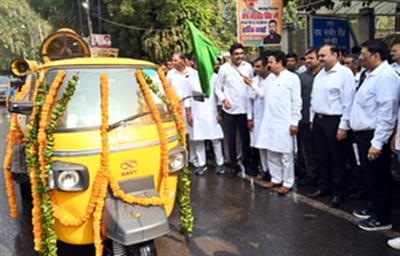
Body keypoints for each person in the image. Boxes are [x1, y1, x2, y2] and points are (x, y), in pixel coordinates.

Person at [350, 39, 399, 231]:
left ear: (376, 55)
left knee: (380, 177)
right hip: (364, 135)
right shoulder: (371, 75)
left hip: (374, 135)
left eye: (364, 54)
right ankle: (374, 208)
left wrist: (377, 143)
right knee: (371, 176)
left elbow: (387, 113)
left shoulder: (386, 77)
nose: (360, 58)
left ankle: (382, 217)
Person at [308, 44, 356, 208]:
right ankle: (324, 186)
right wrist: (312, 119)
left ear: (335, 55)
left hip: (336, 121)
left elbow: (348, 102)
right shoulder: (321, 74)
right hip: (319, 120)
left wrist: (343, 126)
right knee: (322, 156)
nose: (320, 59)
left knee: (338, 158)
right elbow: (314, 99)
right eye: (319, 56)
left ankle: (338, 192)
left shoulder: (344, 74)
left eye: (323, 55)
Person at [250, 51, 302, 194]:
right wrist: (252, 85)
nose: (269, 65)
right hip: (269, 121)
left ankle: (287, 182)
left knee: (285, 154)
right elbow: (261, 94)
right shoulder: (270, 79)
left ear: (280, 62)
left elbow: (297, 101)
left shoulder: (292, 78)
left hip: (284, 121)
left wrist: (294, 122)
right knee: (272, 152)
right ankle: (275, 178)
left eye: (271, 62)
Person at [215, 43, 253, 177]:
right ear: (231, 55)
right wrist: (224, 100)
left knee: (245, 138)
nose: (239, 56)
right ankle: (233, 165)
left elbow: (251, 85)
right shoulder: (224, 69)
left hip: (245, 109)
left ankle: (248, 164)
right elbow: (217, 89)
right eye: (236, 54)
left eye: (241, 53)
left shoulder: (248, 67)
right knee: (231, 139)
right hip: (230, 109)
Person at [185, 59, 225, 175]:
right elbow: (187, 97)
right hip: (197, 113)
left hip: (212, 113)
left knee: (215, 139)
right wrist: (188, 113)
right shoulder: (190, 78)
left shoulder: (214, 77)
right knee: (199, 140)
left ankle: (220, 163)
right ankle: (201, 164)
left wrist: (220, 112)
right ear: (194, 64)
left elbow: (219, 96)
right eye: (197, 63)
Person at [247, 55, 274, 180]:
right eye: (254, 66)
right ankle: (264, 170)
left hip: (270, 117)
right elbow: (249, 100)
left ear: (266, 67)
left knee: (270, 146)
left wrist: (252, 85)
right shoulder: (254, 80)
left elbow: (263, 94)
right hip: (257, 118)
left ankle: (274, 173)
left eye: (258, 66)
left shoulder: (273, 79)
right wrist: (249, 118)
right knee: (260, 146)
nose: (255, 69)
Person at [167, 53, 197, 166]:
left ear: (183, 60)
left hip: (192, 108)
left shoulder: (193, 73)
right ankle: (179, 159)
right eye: (172, 61)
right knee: (179, 134)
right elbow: (167, 91)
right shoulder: (170, 74)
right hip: (176, 109)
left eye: (175, 60)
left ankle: (193, 158)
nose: (173, 63)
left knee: (193, 134)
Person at [297, 47, 321, 186]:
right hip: (304, 119)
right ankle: (311, 175)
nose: (307, 61)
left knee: (322, 152)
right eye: (306, 58)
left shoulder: (325, 75)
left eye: (311, 58)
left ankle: (324, 178)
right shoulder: (302, 77)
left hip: (320, 120)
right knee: (308, 151)